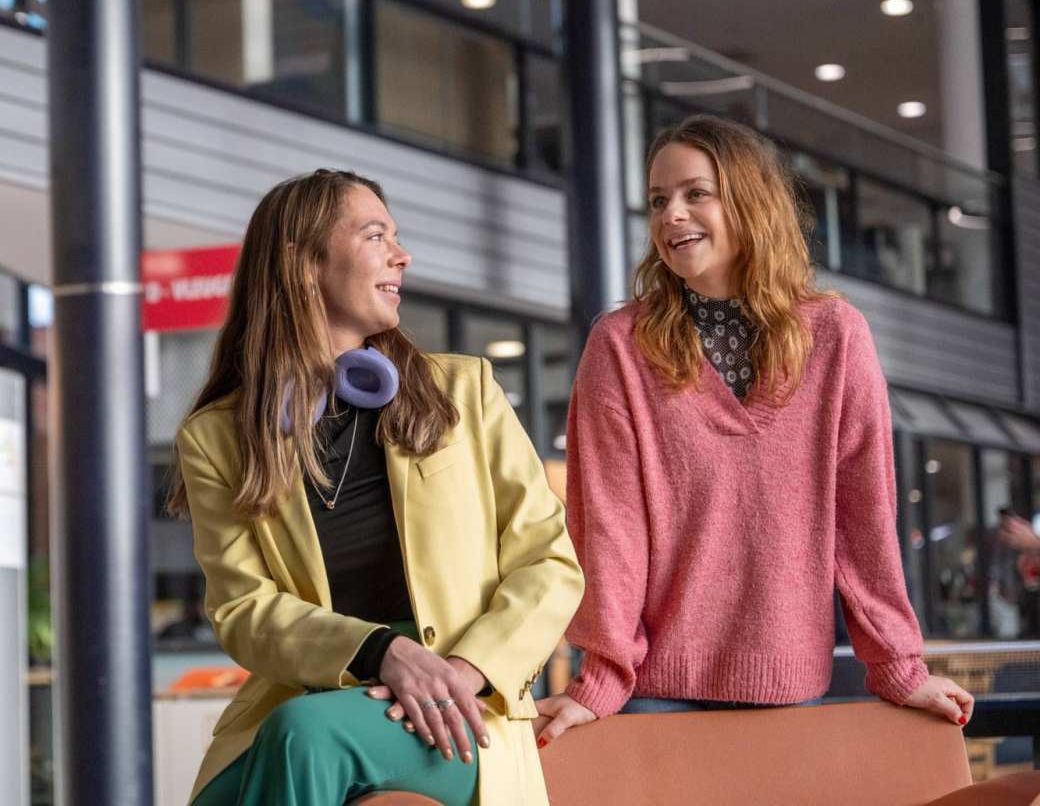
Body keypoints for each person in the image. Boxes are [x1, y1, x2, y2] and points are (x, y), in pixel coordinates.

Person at [534, 115, 973, 745]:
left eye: (695, 194)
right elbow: (610, 528)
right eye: (658, 201)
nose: (670, 216)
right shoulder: (621, 347)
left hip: (788, 689)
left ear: (749, 200)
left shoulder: (836, 336)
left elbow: (863, 517)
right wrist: (600, 679)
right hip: (655, 693)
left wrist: (899, 667)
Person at [169, 168, 584, 805]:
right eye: (375, 235)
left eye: (396, 236)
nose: (402, 253)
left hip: (463, 709)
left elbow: (549, 563)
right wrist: (377, 650)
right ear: (304, 262)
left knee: (306, 737)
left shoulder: (464, 392)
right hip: (319, 688)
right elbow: (244, 610)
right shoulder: (217, 436)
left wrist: (463, 674)